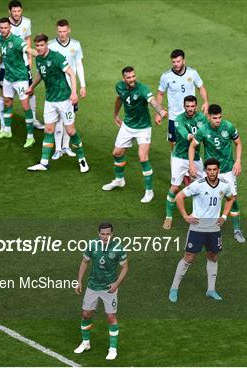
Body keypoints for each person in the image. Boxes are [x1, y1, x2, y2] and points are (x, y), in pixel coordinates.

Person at [168, 158, 234, 302]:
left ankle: (211, 290)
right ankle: (174, 288)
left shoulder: (225, 185)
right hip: (197, 228)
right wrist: (185, 216)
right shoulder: (198, 185)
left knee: (213, 257)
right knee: (188, 258)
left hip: (214, 229)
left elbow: (230, 199)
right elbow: (179, 197)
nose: (211, 172)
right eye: (209, 170)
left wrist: (224, 216)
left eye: (214, 169)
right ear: (205, 171)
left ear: (218, 170)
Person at [102, 66, 167, 203]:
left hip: (143, 127)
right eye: (129, 77)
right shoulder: (119, 86)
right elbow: (119, 99)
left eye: (133, 76)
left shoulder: (143, 89)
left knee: (143, 158)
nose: (132, 79)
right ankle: (119, 180)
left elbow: (153, 102)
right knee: (117, 153)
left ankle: (149, 191)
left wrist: (160, 111)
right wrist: (115, 115)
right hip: (128, 125)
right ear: (123, 78)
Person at [26, 34, 89, 173]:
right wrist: (32, 87)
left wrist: (74, 93)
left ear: (47, 44)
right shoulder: (39, 59)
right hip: (50, 100)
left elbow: (72, 74)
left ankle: (82, 159)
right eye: (37, 46)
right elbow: (40, 74)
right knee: (48, 130)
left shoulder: (57, 57)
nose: (40, 48)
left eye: (42, 45)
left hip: (64, 100)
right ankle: (44, 163)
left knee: (71, 131)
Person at [188, 104, 246, 243]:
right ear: (208, 117)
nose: (218, 120)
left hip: (227, 170)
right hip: (210, 171)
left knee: (232, 199)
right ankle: (203, 225)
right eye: (215, 118)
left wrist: (238, 161)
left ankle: (237, 230)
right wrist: (191, 164)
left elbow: (238, 143)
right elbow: (192, 146)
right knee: (205, 196)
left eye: (220, 117)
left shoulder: (229, 127)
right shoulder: (203, 130)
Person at [74, 222, 129, 360]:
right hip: (93, 285)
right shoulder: (92, 244)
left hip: (109, 288)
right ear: (98, 234)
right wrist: (79, 281)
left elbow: (125, 268)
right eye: (102, 234)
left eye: (108, 234)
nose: (105, 237)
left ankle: (112, 349)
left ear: (112, 233)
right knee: (86, 314)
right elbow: (84, 262)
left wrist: (116, 284)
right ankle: (86, 343)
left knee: (111, 317)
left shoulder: (118, 248)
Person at [0, 0, 42, 133]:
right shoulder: (2, 25)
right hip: (6, 66)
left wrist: (30, 59)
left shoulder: (27, 22)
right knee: (4, 96)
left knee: (30, 91)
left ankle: (34, 119)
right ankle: (3, 126)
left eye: (18, 11)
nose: (16, 13)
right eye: (14, 11)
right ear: (9, 11)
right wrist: (8, 48)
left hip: (23, 63)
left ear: (22, 10)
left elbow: (28, 39)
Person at [0, 17, 37, 148]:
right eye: (1, 28)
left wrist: (39, 53)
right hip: (8, 78)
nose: (3, 30)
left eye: (6, 28)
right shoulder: (0, 39)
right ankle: (7, 131)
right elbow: (5, 51)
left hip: (20, 79)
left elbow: (28, 50)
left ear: (10, 27)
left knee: (25, 106)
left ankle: (30, 137)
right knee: (7, 102)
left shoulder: (16, 41)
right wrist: (0, 58)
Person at [163, 95, 207, 230]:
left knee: (204, 186)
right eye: (187, 106)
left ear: (196, 106)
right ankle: (168, 217)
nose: (190, 109)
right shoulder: (178, 120)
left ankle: (200, 214)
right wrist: (197, 136)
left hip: (196, 158)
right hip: (180, 158)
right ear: (184, 106)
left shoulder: (202, 118)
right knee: (175, 187)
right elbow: (184, 134)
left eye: (192, 106)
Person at [48, 19, 87, 160]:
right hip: (56, 88)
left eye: (64, 31)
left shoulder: (76, 45)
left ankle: (66, 146)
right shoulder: (51, 45)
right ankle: (58, 148)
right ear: (56, 31)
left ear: (69, 30)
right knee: (58, 118)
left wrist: (82, 85)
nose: (62, 34)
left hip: (71, 89)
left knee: (69, 119)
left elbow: (79, 65)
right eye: (59, 31)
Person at [155, 49, 208, 150]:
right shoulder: (166, 76)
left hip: (191, 116)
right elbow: (160, 94)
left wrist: (206, 102)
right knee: (175, 147)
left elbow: (201, 87)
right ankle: (175, 165)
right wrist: (158, 111)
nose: (176, 64)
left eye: (178, 61)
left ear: (184, 61)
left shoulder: (192, 73)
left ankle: (191, 165)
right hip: (174, 117)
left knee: (193, 146)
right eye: (173, 62)